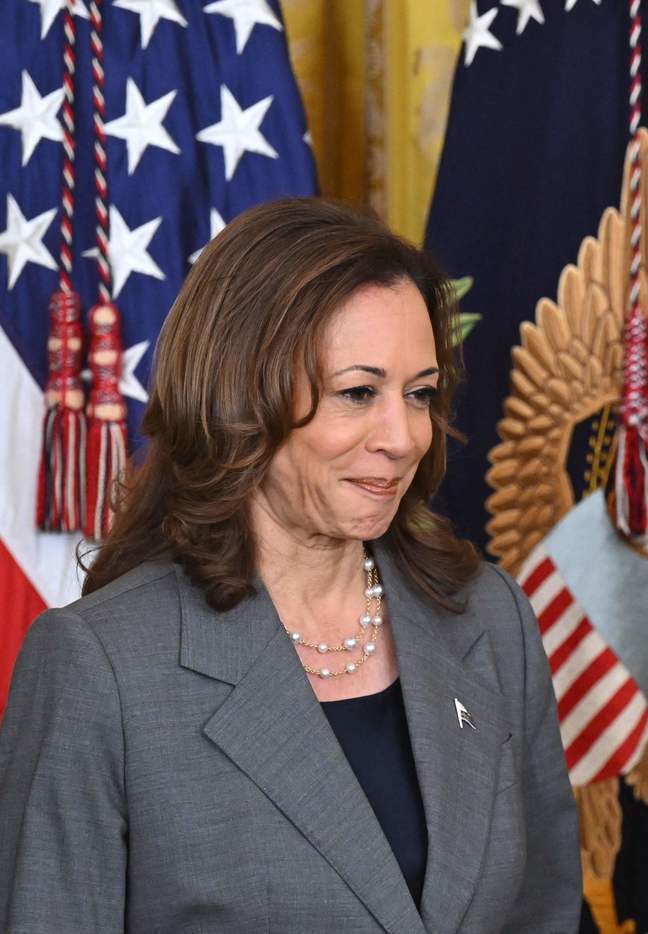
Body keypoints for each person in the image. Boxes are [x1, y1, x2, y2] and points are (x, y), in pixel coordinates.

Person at [0, 198, 581, 932]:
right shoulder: (100, 667)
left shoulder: (488, 615)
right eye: (358, 393)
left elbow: (547, 911)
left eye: (420, 395)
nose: (403, 437)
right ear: (242, 397)